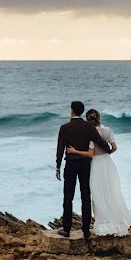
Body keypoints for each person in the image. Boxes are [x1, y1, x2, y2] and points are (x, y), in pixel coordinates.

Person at [65, 108, 131, 236]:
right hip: (108, 163)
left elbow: (90, 154)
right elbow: (114, 147)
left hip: (95, 164)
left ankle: (103, 224)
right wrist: (106, 154)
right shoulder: (107, 130)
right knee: (111, 192)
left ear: (87, 119)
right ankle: (117, 222)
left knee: (97, 195)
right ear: (99, 118)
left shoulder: (89, 133)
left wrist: (74, 151)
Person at [55, 100, 114, 239]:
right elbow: (99, 140)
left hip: (70, 164)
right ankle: (86, 230)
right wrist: (108, 150)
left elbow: (60, 149)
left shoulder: (64, 128)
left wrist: (58, 166)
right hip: (85, 165)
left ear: (72, 111)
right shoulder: (88, 126)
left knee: (68, 197)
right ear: (81, 112)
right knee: (85, 196)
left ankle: (67, 229)